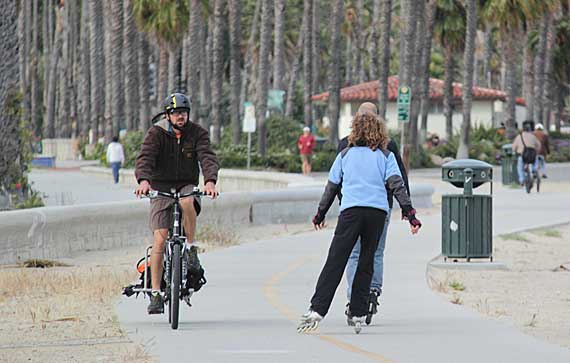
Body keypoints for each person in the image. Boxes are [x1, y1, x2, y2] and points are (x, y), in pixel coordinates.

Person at [297, 110, 422, 334]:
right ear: (379, 131)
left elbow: (332, 186)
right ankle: (358, 312)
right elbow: (397, 185)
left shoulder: (345, 154)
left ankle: (317, 310)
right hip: (376, 214)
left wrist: (320, 214)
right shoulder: (386, 156)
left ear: (354, 130)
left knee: (336, 259)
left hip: (351, 211)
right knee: (367, 261)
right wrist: (410, 214)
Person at [134, 93, 220, 314]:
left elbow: (207, 157)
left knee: (188, 200)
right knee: (159, 240)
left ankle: (190, 248)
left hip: (186, 184)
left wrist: (210, 181)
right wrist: (144, 181)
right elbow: (145, 158)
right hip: (160, 186)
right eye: (176, 113)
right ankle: (155, 293)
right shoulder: (157, 133)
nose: (180, 117)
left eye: (183, 113)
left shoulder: (197, 133)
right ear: (168, 115)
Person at [337, 102, 410, 324]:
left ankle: (353, 298)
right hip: (380, 208)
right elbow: (399, 177)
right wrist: (407, 207)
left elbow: (337, 179)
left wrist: (342, 203)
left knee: (354, 254)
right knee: (375, 252)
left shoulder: (345, 144)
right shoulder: (389, 145)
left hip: (352, 208)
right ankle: (372, 293)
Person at [512, 120, 541, 186]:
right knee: (535, 161)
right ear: (530, 130)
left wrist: (515, 151)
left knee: (520, 167)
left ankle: (522, 180)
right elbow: (539, 145)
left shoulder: (519, 137)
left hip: (523, 155)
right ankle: (534, 171)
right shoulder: (533, 136)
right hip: (532, 154)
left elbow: (514, 147)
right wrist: (537, 150)